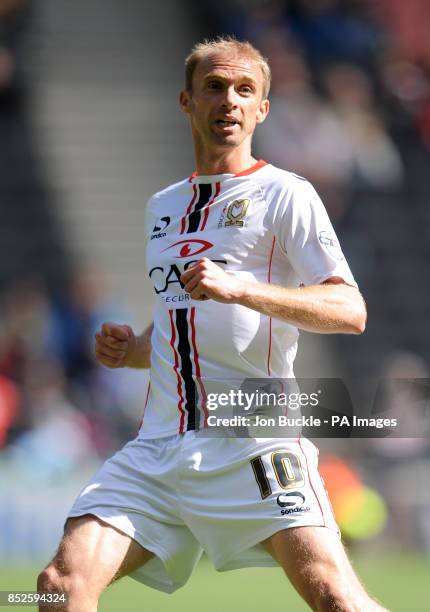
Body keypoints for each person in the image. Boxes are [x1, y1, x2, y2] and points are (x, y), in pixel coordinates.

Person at [37, 37, 387, 612]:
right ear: (186, 101)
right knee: (51, 589)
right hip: (159, 444)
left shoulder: (286, 194)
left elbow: (351, 310)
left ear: (262, 110)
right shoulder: (163, 206)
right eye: (215, 87)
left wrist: (243, 288)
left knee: (336, 599)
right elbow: (185, 319)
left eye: (245, 90)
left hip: (253, 439)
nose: (230, 101)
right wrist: (132, 350)